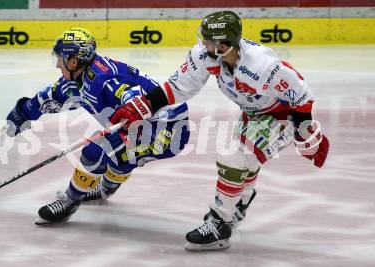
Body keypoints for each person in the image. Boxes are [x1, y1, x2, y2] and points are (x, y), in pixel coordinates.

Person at [110, 11, 329, 251]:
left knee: (234, 158)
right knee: (246, 160)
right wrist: (145, 104)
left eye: (207, 40)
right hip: (253, 113)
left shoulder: (262, 65)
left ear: (223, 45)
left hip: (281, 115)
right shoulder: (209, 56)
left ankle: (219, 223)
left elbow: (301, 94)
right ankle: (240, 203)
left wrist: (304, 132)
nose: (202, 44)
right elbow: (179, 86)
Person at [5, 27, 190, 225]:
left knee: (97, 151)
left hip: (168, 130)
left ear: (73, 61)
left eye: (60, 59)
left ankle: (70, 200)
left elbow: (132, 96)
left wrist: (130, 112)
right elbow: (52, 95)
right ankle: (105, 189)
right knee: (120, 153)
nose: (58, 64)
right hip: (150, 125)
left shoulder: (105, 81)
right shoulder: (81, 76)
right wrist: (23, 112)